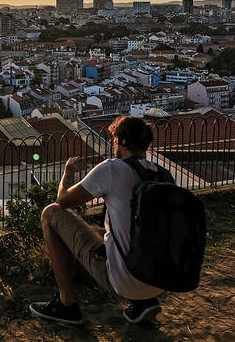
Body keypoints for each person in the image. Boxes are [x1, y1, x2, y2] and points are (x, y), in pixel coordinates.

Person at [29, 115, 164, 326]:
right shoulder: (160, 174)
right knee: (100, 232)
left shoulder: (112, 169)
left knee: (50, 213)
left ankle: (66, 305)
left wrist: (68, 173)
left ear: (122, 141)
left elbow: (63, 201)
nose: (112, 143)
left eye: (114, 139)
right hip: (160, 278)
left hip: (124, 281)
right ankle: (143, 301)